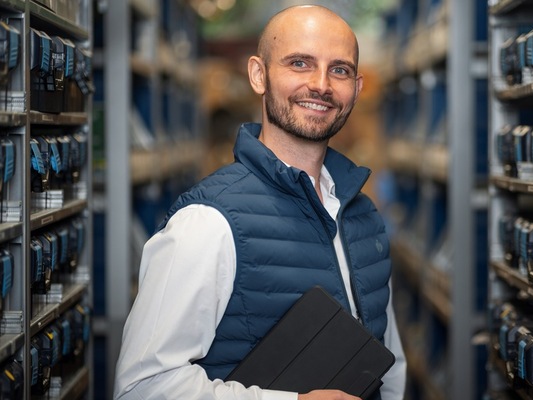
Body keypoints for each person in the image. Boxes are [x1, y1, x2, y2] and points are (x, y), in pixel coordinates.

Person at [114, 5, 406, 400]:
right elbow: (140, 387)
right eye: (300, 63)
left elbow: (389, 363)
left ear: (356, 88)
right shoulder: (207, 221)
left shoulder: (363, 216)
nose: (320, 84)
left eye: (339, 69)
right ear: (258, 75)